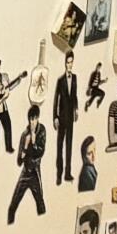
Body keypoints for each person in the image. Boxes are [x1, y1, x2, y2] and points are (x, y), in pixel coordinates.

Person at [5, 105, 49, 225]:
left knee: (41, 204)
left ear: (38, 118)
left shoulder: (42, 131)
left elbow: (41, 152)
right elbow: (19, 161)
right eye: (30, 119)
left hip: (35, 172)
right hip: (25, 172)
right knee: (12, 206)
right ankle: (9, 226)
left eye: (34, 119)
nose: (32, 122)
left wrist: (34, 143)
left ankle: (45, 230)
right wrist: (25, 146)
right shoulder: (25, 134)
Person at [51, 52, 81, 182]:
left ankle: (67, 173)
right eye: (68, 62)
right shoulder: (60, 80)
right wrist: (55, 116)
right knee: (60, 146)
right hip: (62, 117)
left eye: (71, 62)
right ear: (65, 63)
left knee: (69, 145)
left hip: (70, 117)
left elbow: (74, 96)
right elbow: (56, 99)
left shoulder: (74, 78)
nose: (69, 65)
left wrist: (76, 109)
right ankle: (59, 174)